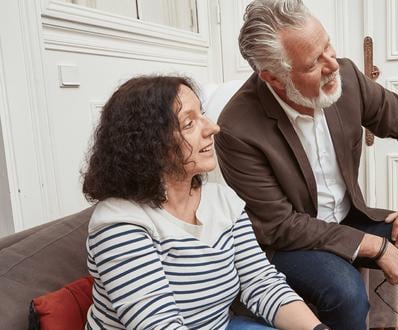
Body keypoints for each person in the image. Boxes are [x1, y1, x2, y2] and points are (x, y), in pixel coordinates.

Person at [215, 1, 398, 329]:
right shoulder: (237, 128)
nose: (331, 64)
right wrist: (376, 247)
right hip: (289, 241)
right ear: (273, 78)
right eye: (313, 62)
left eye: (328, 46)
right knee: (346, 292)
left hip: (350, 219)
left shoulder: (348, 75)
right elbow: (280, 226)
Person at [81, 75, 326, 330]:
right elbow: (158, 325)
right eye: (189, 123)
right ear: (149, 145)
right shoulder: (118, 222)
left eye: (203, 115)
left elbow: (261, 283)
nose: (212, 128)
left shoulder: (222, 200)